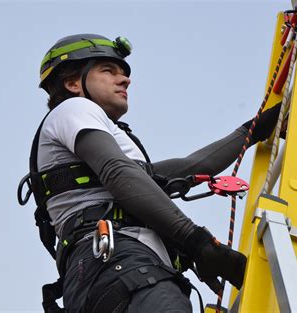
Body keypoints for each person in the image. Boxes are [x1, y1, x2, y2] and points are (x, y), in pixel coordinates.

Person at [22, 34, 282, 312]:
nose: (125, 80)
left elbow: (187, 169)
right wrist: (196, 242)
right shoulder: (74, 108)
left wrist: (251, 131)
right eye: (108, 71)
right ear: (73, 83)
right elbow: (117, 172)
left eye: (123, 73)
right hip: (119, 262)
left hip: (108, 269)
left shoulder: (95, 137)